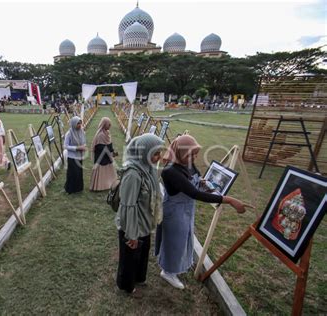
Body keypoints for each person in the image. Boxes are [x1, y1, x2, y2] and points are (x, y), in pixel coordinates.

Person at [155, 135, 249, 289]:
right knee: (174, 242)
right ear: (179, 153)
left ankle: (174, 267)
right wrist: (230, 200)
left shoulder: (188, 165)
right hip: (174, 212)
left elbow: (197, 180)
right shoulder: (170, 171)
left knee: (182, 240)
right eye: (190, 154)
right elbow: (195, 193)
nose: (194, 157)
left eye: (196, 153)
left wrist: (204, 182)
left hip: (185, 209)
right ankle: (168, 272)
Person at [115, 134, 165, 295]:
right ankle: (127, 286)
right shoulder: (133, 174)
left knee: (142, 255)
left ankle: (139, 278)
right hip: (133, 226)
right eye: (155, 153)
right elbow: (128, 207)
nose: (159, 157)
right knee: (129, 258)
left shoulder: (148, 168)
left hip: (144, 224)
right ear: (144, 152)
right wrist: (132, 235)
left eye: (160, 153)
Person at [89, 117, 117, 191]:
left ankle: (109, 183)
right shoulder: (100, 135)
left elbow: (109, 144)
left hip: (107, 156)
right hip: (101, 157)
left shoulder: (108, 133)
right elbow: (101, 147)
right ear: (104, 125)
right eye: (108, 124)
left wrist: (112, 151)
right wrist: (109, 153)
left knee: (109, 169)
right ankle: (100, 185)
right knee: (102, 170)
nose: (110, 126)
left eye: (110, 124)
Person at [64, 116, 86, 194]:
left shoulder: (81, 131)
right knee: (73, 173)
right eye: (78, 123)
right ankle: (70, 189)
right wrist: (76, 148)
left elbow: (84, 141)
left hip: (79, 156)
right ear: (73, 124)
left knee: (79, 172)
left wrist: (83, 147)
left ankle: (78, 188)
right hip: (72, 157)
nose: (79, 125)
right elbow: (65, 146)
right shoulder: (69, 134)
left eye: (80, 123)